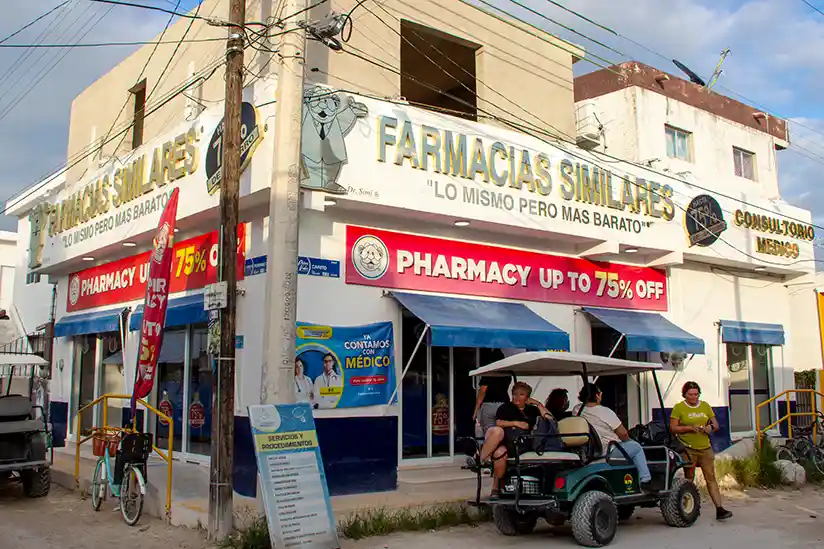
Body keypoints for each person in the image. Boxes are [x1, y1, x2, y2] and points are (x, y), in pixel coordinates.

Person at [477, 381, 554, 497]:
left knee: (500, 451)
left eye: (521, 394)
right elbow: (499, 422)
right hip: (508, 441)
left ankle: (493, 478)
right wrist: (516, 423)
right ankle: (495, 487)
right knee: (499, 451)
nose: (517, 397)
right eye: (515, 394)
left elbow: (549, 418)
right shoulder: (505, 408)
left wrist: (538, 404)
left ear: (527, 397)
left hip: (526, 443)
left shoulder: (532, 410)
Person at [671, 381, 733, 521]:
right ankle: (687, 507)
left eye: (696, 394)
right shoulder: (679, 408)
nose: (693, 397)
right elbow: (673, 428)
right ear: (685, 395)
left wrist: (710, 428)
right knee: (690, 477)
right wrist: (689, 428)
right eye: (690, 394)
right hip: (688, 448)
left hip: (705, 447)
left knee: (711, 478)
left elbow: (715, 424)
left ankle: (720, 509)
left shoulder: (705, 406)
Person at [573, 383, 652, 489]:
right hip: (608, 451)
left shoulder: (577, 410)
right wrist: (628, 440)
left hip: (587, 452)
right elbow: (623, 434)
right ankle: (645, 480)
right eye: (600, 393)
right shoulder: (605, 412)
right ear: (597, 395)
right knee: (636, 447)